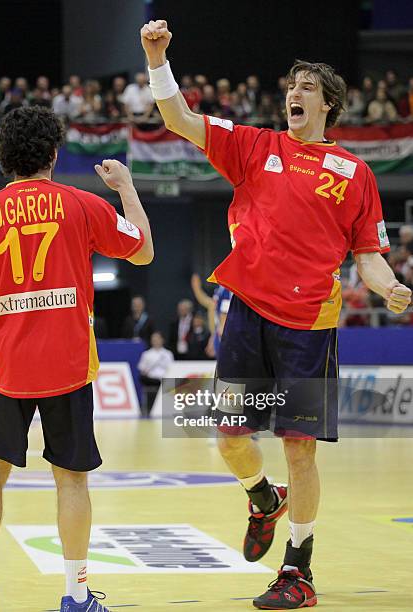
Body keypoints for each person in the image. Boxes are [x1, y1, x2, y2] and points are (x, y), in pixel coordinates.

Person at [141, 19, 412, 610]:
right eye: (293, 84)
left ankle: (298, 570)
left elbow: (368, 258)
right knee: (231, 436)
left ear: (329, 104)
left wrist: (392, 289)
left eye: (309, 86)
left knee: (300, 448)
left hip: (308, 324)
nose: (296, 91)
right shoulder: (255, 146)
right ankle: (263, 498)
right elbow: (179, 120)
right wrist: (156, 58)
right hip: (246, 313)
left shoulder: (355, 175)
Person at [0, 106, 153, 612]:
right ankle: (76, 595)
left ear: (4, 159)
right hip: (67, 364)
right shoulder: (81, 204)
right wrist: (125, 188)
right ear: (54, 154)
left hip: (8, 367)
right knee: (71, 479)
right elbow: (143, 251)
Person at [137, 331, 174, 413]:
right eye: (154, 339)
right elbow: (141, 368)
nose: (156, 341)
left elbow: (171, 368)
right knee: (143, 378)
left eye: (158, 339)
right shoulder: (146, 354)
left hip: (164, 379)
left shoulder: (168, 354)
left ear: (162, 340)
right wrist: (144, 372)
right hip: (151, 380)